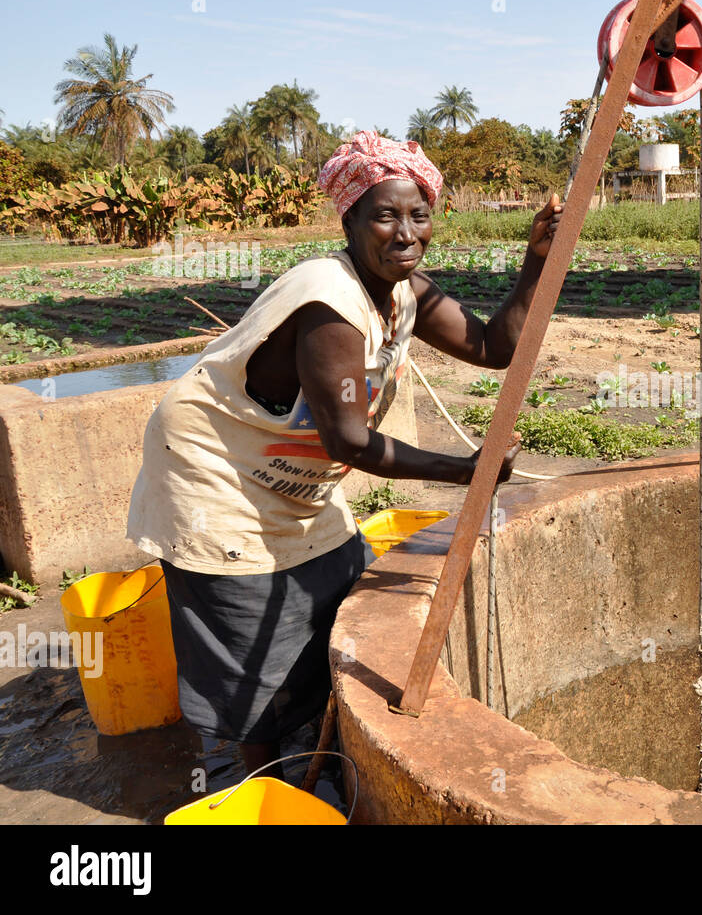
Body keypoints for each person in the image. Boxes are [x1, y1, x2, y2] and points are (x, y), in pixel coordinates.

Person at [126, 131, 563, 776]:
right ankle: (257, 778)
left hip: (290, 477)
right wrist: (464, 472)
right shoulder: (329, 299)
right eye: (385, 215)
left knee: (334, 589)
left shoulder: (407, 292)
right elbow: (350, 441)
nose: (405, 232)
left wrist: (537, 263)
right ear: (351, 219)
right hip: (215, 471)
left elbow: (494, 347)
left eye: (418, 214)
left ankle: (316, 750)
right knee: (253, 641)